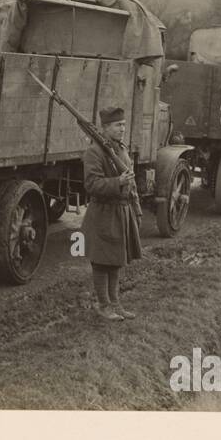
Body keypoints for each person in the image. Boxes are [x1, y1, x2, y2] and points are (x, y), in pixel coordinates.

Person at [81, 106, 143, 322]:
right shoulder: (94, 152)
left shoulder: (121, 149)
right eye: (118, 125)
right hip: (104, 212)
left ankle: (115, 303)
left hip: (121, 211)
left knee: (116, 260)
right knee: (101, 261)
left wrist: (136, 210)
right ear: (105, 128)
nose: (123, 129)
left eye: (124, 125)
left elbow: (132, 183)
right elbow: (91, 184)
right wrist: (118, 182)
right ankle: (103, 305)